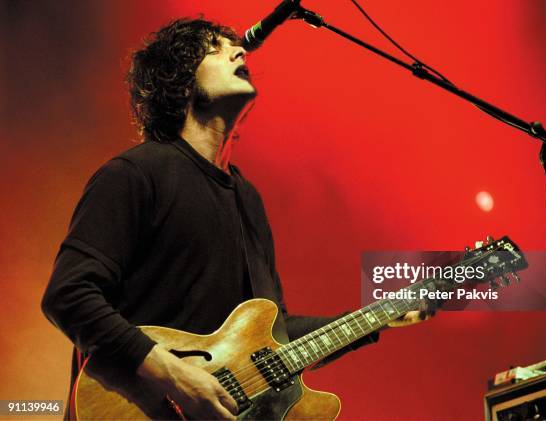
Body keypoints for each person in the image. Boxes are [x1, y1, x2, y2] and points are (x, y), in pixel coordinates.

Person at [41, 17, 429, 420]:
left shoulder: (248, 199)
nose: (241, 51)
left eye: (235, 46)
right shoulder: (135, 174)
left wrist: (378, 314)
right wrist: (177, 376)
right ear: (180, 79)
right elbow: (69, 295)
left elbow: (273, 339)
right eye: (215, 48)